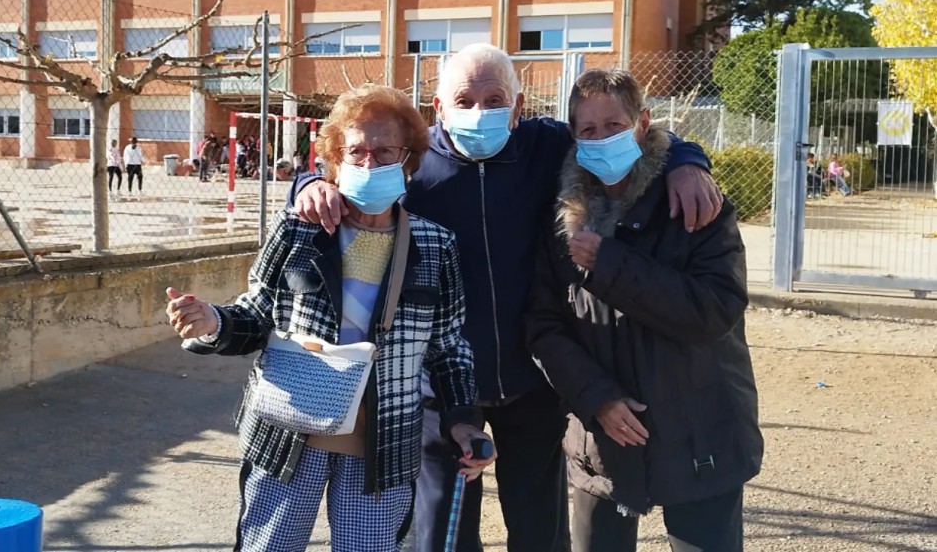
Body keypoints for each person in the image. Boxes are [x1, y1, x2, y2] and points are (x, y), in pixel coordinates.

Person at [293, 44, 722, 552]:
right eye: (464, 100)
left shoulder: (547, 147)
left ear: (519, 108)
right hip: (441, 389)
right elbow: (347, 171)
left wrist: (688, 161)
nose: (480, 112)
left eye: (495, 99)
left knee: (539, 533)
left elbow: (623, 136)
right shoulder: (411, 165)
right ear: (439, 108)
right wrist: (307, 183)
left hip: (533, 378)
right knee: (443, 536)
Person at [167, 84, 495, 551]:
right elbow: (258, 312)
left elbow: (447, 348)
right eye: (356, 151)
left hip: (383, 443)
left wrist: (462, 420)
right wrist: (212, 323)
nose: (369, 163)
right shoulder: (298, 230)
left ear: (408, 160)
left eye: (385, 152)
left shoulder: (435, 246)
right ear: (336, 159)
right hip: (288, 432)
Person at [526, 68, 763, 551]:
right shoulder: (562, 219)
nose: (602, 139)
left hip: (700, 435)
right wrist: (596, 399)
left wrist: (610, 263)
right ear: (574, 135)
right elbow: (544, 326)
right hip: (603, 443)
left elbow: (714, 311)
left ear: (643, 122)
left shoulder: (694, 201)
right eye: (588, 129)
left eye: (614, 125)